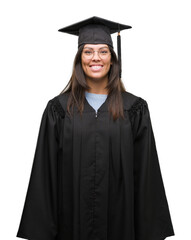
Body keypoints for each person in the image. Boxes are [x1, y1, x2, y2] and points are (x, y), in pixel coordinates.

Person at [16, 16, 175, 240]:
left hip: (121, 227)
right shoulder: (59, 110)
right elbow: (45, 175)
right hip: (70, 226)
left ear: (112, 58)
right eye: (88, 51)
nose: (95, 58)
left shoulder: (135, 109)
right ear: (79, 59)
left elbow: (147, 176)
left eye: (103, 51)